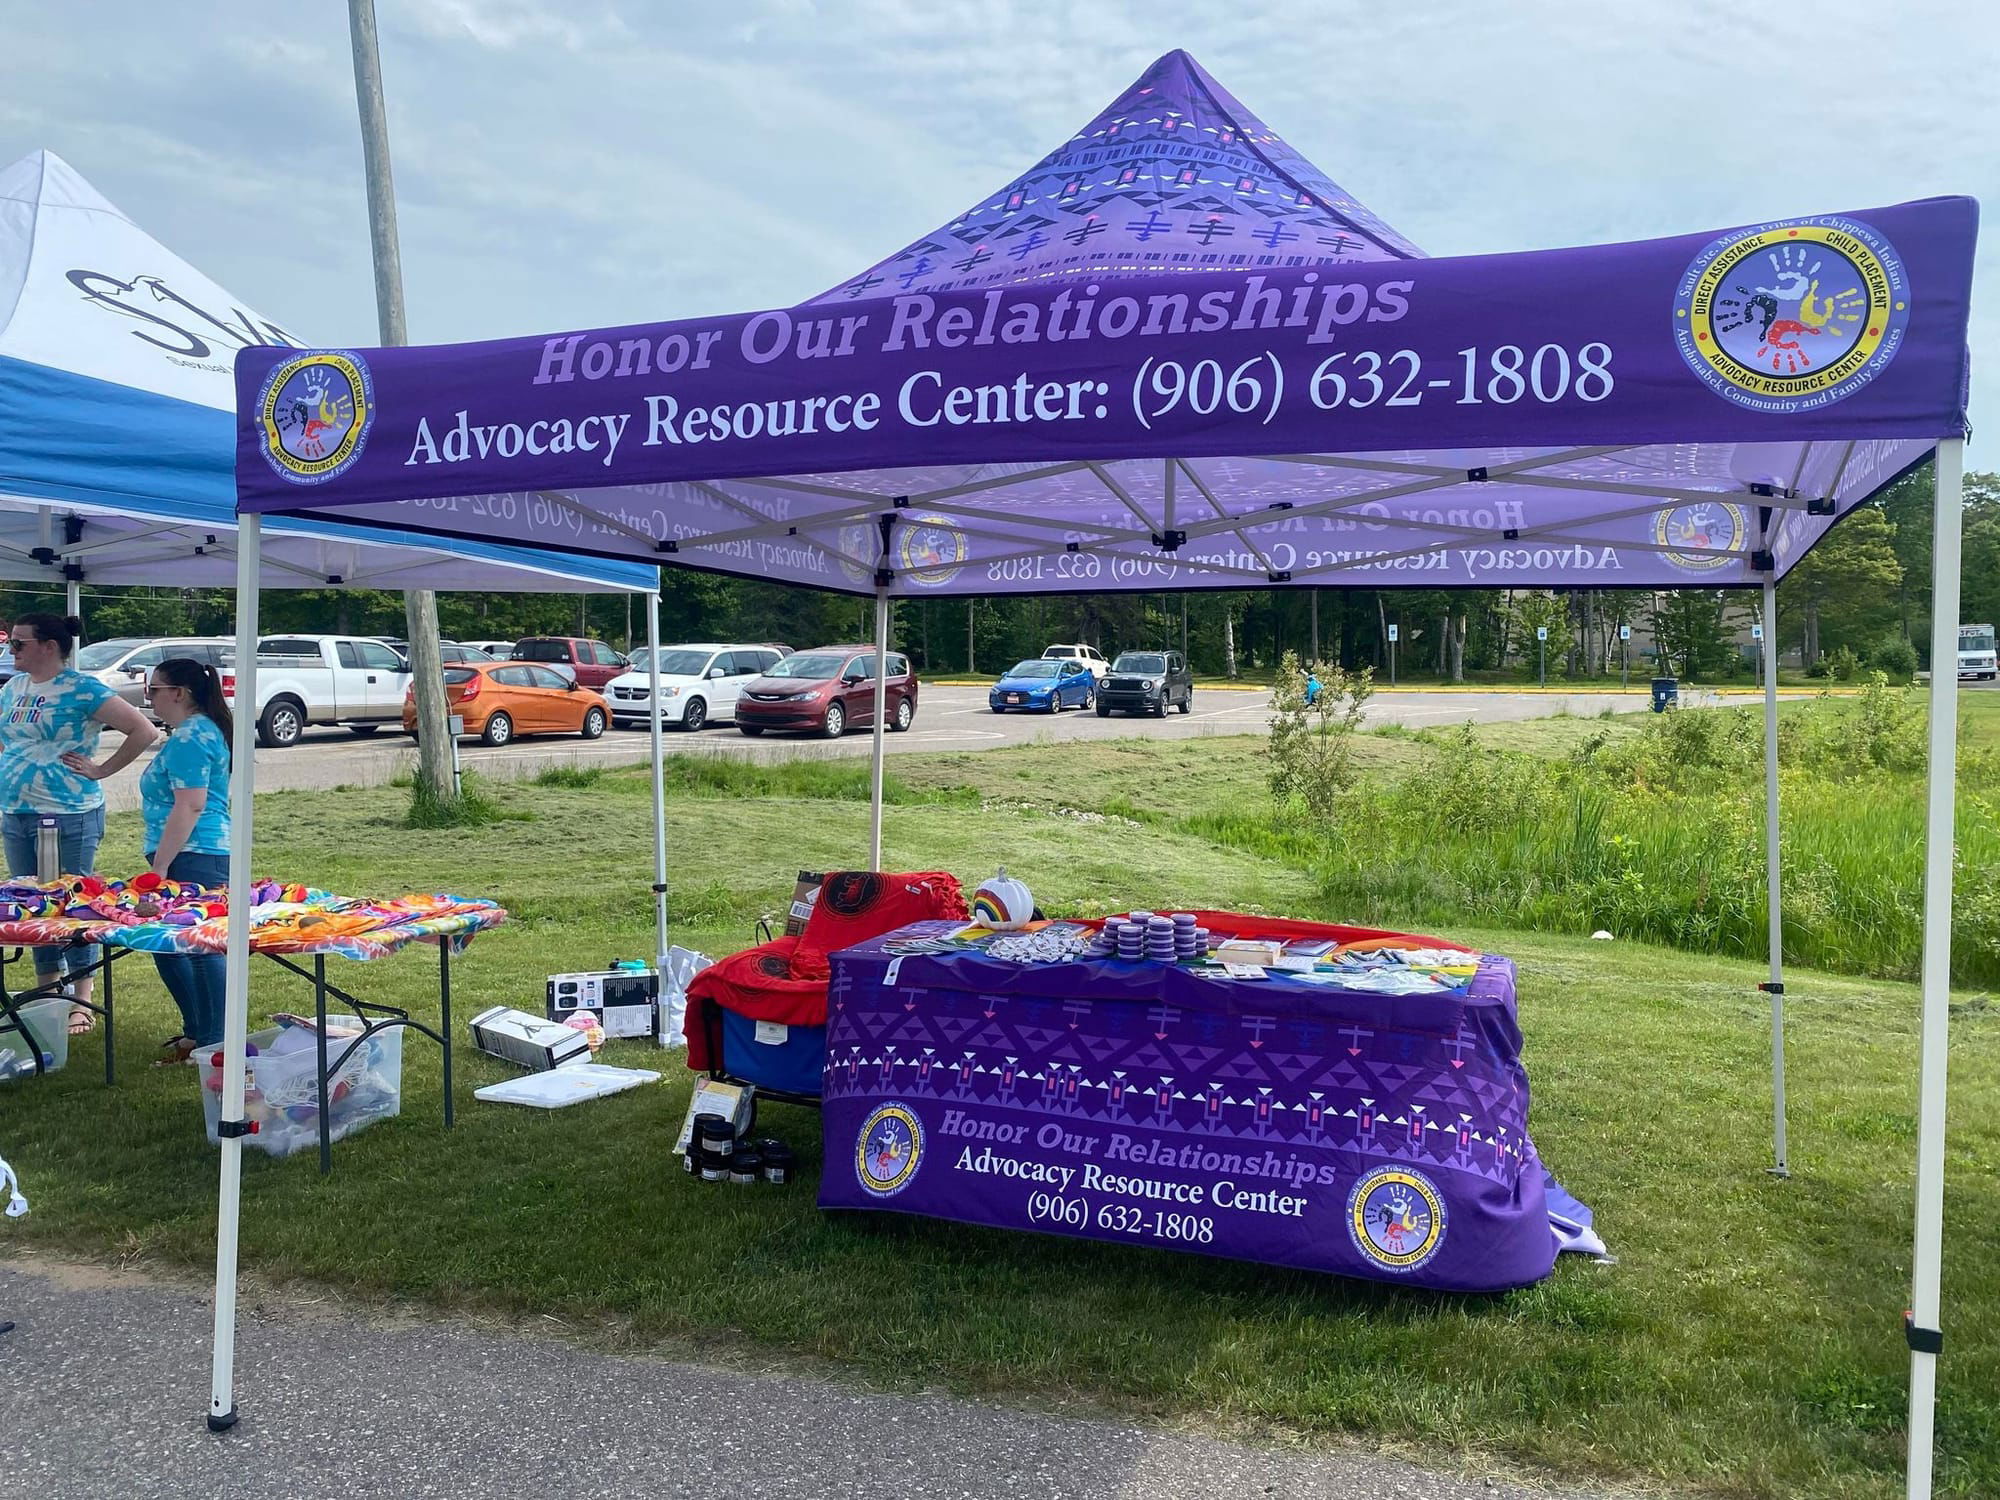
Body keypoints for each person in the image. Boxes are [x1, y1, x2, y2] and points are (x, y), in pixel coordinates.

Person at [0, 613, 159, 1034]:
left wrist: (102, 769)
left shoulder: (82, 689)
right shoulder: (14, 687)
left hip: (69, 812)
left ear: (49, 646)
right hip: (16, 812)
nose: (10, 650)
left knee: (74, 902)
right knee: (32, 902)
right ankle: (48, 994)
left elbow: (143, 730)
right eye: (10, 643)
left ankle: (80, 999)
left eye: (18, 644)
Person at [68, 657, 231, 1064]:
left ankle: (213, 1041)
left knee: (199, 947)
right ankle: (200, 1035)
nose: (148, 696)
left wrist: (159, 867)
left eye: (153, 689)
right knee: (173, 945)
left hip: (194, 854)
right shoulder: (194, 732)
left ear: (179, 693)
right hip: (191, 852)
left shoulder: (192, 738)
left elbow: (190, 806)